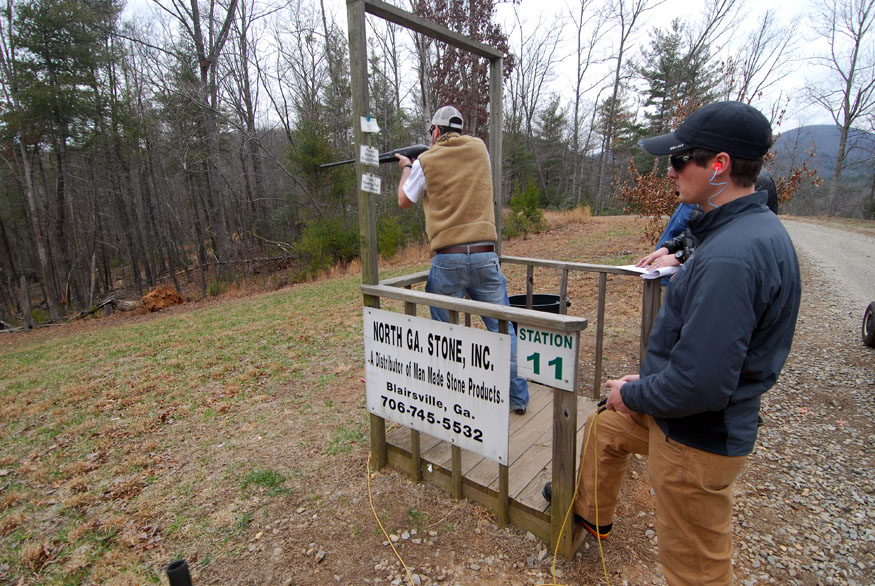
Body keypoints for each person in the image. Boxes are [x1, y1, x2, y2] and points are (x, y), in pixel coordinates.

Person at [543, 101, 801, 585]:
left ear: (719, 166)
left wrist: (637, 391)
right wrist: (645, 388)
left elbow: (702, 384)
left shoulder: (731, 257)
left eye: (680, 160)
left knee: (695, 572)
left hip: (695, 441)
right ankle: (590, 519)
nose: (670, 171)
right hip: (688, 417)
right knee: (606, 426)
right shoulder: (740, 233)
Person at [395, 105, 529, 415]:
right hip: (485, 256)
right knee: (503, 330)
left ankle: (456, 402)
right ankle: (518, 399)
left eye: (433, 133)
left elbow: (404, 200)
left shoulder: (426, 161)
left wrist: (407, 167)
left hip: (448, 258)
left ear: (436, 132)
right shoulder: (479, 148)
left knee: (445, 336)